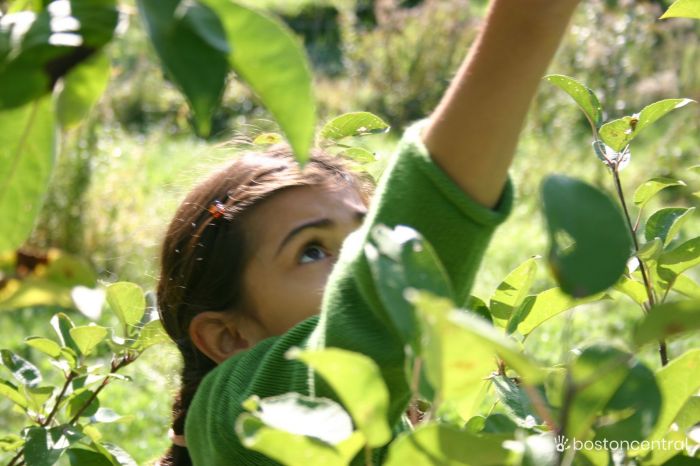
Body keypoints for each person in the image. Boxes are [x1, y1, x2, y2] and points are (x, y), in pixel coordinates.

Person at [156, 1, 582, 465]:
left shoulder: (379, 413)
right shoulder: (238, 416)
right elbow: (372, 313)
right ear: (230, 338)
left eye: (365, 235)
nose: (364, 259)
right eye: (312, 250)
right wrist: (529, 21)